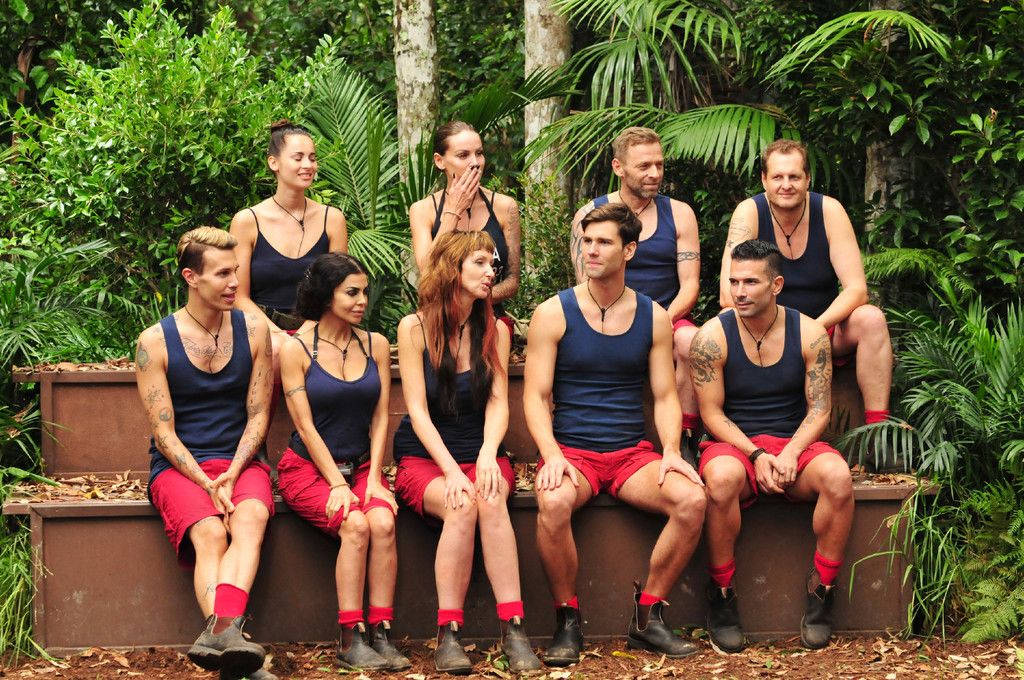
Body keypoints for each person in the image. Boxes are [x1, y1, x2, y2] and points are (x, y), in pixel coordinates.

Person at [525, 202, 707, 666]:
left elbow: (665, 396)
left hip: (631, 455)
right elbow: (536, 397)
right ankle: (567, 619)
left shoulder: (654, 317)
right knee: (553, 502)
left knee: (692, 500)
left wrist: (671, 450)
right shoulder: (553, 313)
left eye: (603, 242)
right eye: (586, 241)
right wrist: (551, 455)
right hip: (573, 452)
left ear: (629, 250)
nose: (591, 250)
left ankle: (648, 616)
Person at [693, 239, 854, 652]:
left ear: (776, 285)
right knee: (721, 480)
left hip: (793, 442)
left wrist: (790, 453)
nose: (739, 292)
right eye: (734, 282)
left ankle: (822, 590)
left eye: (750, 282)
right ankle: (722, 595)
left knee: (838, 478)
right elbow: (711, 414)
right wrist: (756, 454)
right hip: (735, 444)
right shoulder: (712, 336)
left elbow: (820, 409)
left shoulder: (810, 333)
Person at [392, 230, 541, 674]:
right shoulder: (414, 328)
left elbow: (498, 403)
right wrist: (451, 472)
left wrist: (487, 454)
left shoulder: (495, 329)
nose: (491, 271)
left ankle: (514, 628)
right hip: (425, 457)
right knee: (461, 504)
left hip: (481, 450)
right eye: (479, 262)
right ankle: (449, 633)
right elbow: (418, 412)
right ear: (451, 268)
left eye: (493, 263)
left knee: (490, 498)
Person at [135, 227, 276, 680]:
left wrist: (232, 473)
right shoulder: (154, 342)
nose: (234, 283)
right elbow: (163, 432)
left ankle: (221, 637)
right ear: (191, 277)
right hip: (181, 466)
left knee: (250, 517)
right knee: (211, 533)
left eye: (236, 271)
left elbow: (259, 413)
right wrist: (205, 481)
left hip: (240, 460)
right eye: (222, 274)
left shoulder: (254, 330)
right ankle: (237, 652)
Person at [276, 253, 408, 671]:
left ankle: (381, 632)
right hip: (308, 470)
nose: (362, 300)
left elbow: (380, 416)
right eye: (351, 292)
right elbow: (304, 425)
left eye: (364, 292)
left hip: (363, 465)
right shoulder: (296, 349)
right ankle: (351, 638)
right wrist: (336, 483)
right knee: (355, 525)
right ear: (325, 295)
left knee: (382, 521)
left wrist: (376, 478)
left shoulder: (375, 344)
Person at [719, 139, 892, 432]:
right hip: (764, 331)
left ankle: (878, 429)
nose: (786, 185)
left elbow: (856, 289)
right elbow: (728, 293)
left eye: (794, 177)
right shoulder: (749, 212)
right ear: (764, 180)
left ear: (807, 179)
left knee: (871, 319)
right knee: (725, 319)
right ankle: (709, 430)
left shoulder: (829, 211)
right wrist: (784, 334)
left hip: (823, 328)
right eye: (778, 177)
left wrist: (813, 330)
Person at [570, 127, 702, 459]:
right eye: (644, 166)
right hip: (610, 316)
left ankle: (685, 437)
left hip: (668, 317)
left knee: (691, 341)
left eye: (659, 164)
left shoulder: (680, 213)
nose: (654, 173)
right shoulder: (590, 215)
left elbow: (690, 284)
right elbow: (586, 283)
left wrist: (662, 321)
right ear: (618, 167)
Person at [230, 119, 348, 374]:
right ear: (274, 163)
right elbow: (238, 296)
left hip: (319, 328)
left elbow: (339, 289)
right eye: (298, 158)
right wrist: (276, 334)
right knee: (274, 353)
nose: (308, 165)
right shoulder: (246, 221)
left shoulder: (332, 219)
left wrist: (304, 334)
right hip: (262, 329)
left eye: (312, 158)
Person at [408, 121, 521, 334]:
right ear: (440, 161)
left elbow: (512, 281)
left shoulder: (505, 207)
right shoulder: (423, 210)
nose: (475, 163)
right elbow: (428, 274)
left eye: (479, 153)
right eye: (463, 155)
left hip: (491, 325)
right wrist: (453, 211)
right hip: (440, 325)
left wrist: (472, 301)